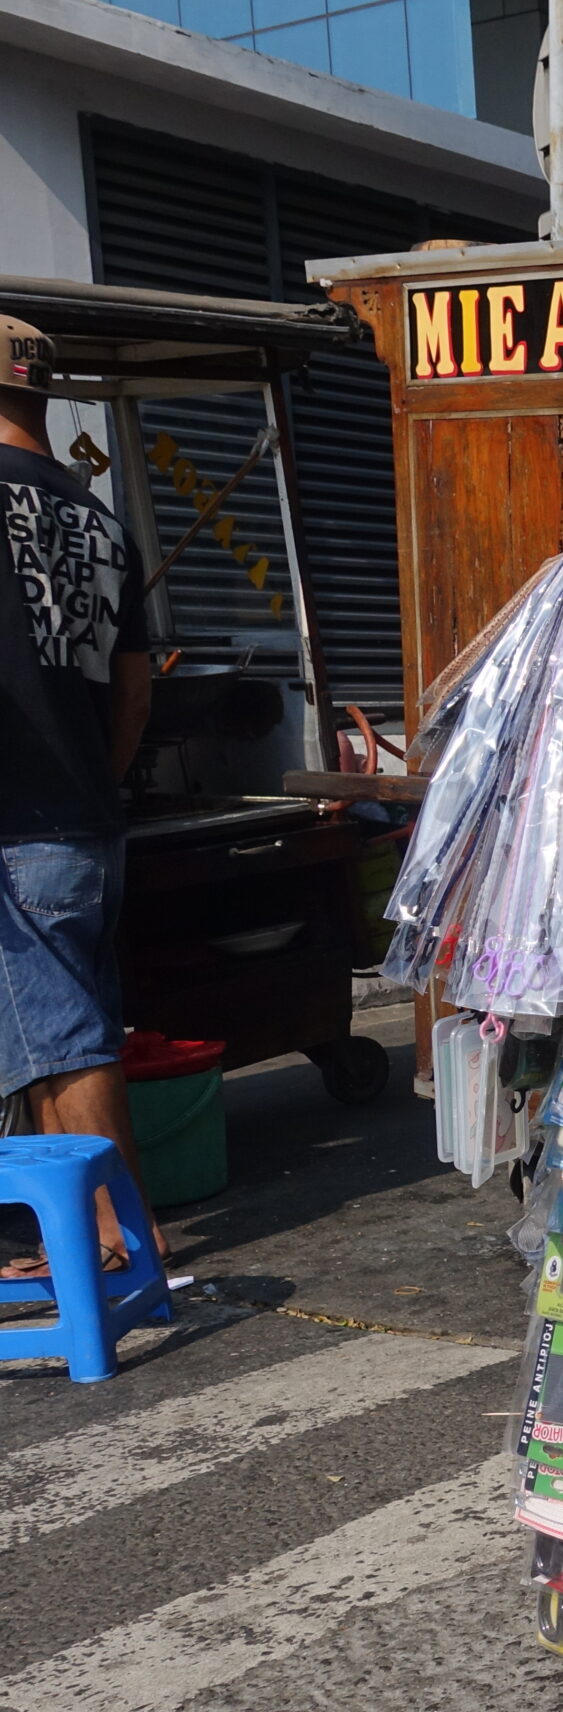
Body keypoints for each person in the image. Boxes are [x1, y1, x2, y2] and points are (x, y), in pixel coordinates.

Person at [0, 311, 160, 1272]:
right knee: (50, 1036)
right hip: (87, 819)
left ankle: (117, 1235)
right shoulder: (101, 519)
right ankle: (69, 1232)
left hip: (16, 823)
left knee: (63, 1042)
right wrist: (96, 780)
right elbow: (135, 694)